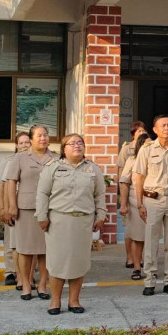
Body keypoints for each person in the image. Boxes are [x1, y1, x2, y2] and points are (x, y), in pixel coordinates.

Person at [35, 134, 106, 315]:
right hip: (58, 221)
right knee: (57, 262)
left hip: (83, 222)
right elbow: (42, 193)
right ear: (63, 148)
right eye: (72, 143)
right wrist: (42, 216)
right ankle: (55, 301)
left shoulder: (93, 169)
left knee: (79, 262)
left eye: (80, 143)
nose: (77, 146)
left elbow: (99, 194)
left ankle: (74, 300)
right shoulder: (53, 167)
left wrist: (101, 215)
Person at [132, 115, 168, 296]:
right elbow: (139, 177)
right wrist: (140, 204)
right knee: (151, 241)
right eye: (163, 125)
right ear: (155, 130)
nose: (167, 128)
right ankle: (149, 280)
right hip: (152, 199)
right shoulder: (147, 149)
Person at [6, 125, 55, 301]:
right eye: (39, 135)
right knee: (25, 249)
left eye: (46, 135)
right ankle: (26, 284)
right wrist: (12, 206)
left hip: (50, 209)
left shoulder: (56, 158)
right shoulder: (20, 157)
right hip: (26, 208)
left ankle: (42, 284)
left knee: (46, 250)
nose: (43, 138)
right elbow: (11, 182)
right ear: (31, 139)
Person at [0, 132, 30, 288]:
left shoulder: (36, 160)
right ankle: (11, 271)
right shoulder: (9, 161)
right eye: (21, 143)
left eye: (27, 142)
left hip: (29, 204)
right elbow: (1, 185)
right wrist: (3, 207)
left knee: (28, 241)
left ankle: (27, 273)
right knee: (11, 240)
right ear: (16, 145)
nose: (24, 145)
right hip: (12, 204)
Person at [119, 132, 150, 280]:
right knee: (137, 237)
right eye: (146, 144)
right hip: (135, 203)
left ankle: (150, 268)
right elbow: (124, 183)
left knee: (151, 238)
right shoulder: (132, 161)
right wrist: (123, 204)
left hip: (154, 203)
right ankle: (137, 268)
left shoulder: (157, 160)